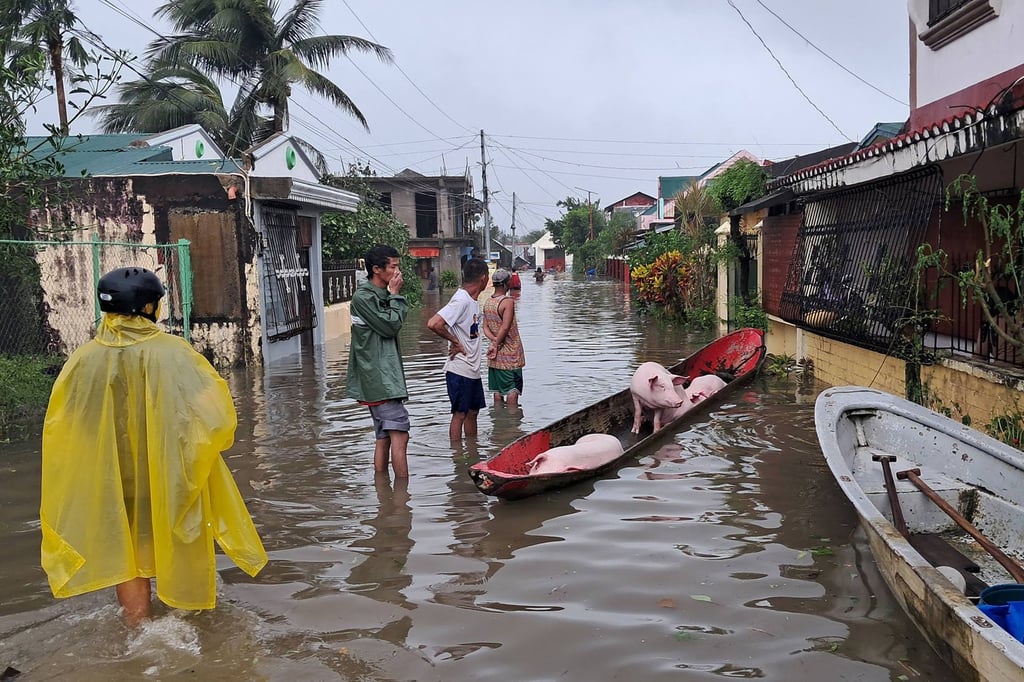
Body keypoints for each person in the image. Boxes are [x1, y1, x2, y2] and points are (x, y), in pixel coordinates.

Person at [40, 266, 267, 627]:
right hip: (169, 474)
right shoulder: (174, 353)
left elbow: (65, 424)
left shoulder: (82, 359)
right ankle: (185, 621)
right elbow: (217, 417)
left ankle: (137, 626)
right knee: (180, 536)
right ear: (149, 308)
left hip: (112, 479)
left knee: (126, 552)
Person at [347, 244, 411, 478]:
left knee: (383, 437)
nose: (397, 272)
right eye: (393, 267)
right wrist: (395, 295)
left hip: (382, 379)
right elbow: (390, 326)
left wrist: (392, 296)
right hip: (380, 380)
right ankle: (403, 501)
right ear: (376, 269)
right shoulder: (363, 298)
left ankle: (385, 497)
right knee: (399, 435)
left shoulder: (377, 295)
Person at [427, 258, 490, 441]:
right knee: (460, 414)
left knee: (472, 412)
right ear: (484, 278)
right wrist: (455, 341)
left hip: (472, 369)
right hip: (460, 369)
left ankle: (472, 452)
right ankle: (457, 458)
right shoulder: (461, 300)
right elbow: (434, 323)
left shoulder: (472, 301)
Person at [483, 269, 526, 408]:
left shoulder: (488, 302)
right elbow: (506, 327)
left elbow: (485, 328)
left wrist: (494, 342)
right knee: (512, 390)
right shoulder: (507, 302)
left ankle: (499, 426)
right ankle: (513, 425)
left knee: (497, 391)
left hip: (495, 356)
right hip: (510, 354)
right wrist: (497, 343)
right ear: (507, 284)